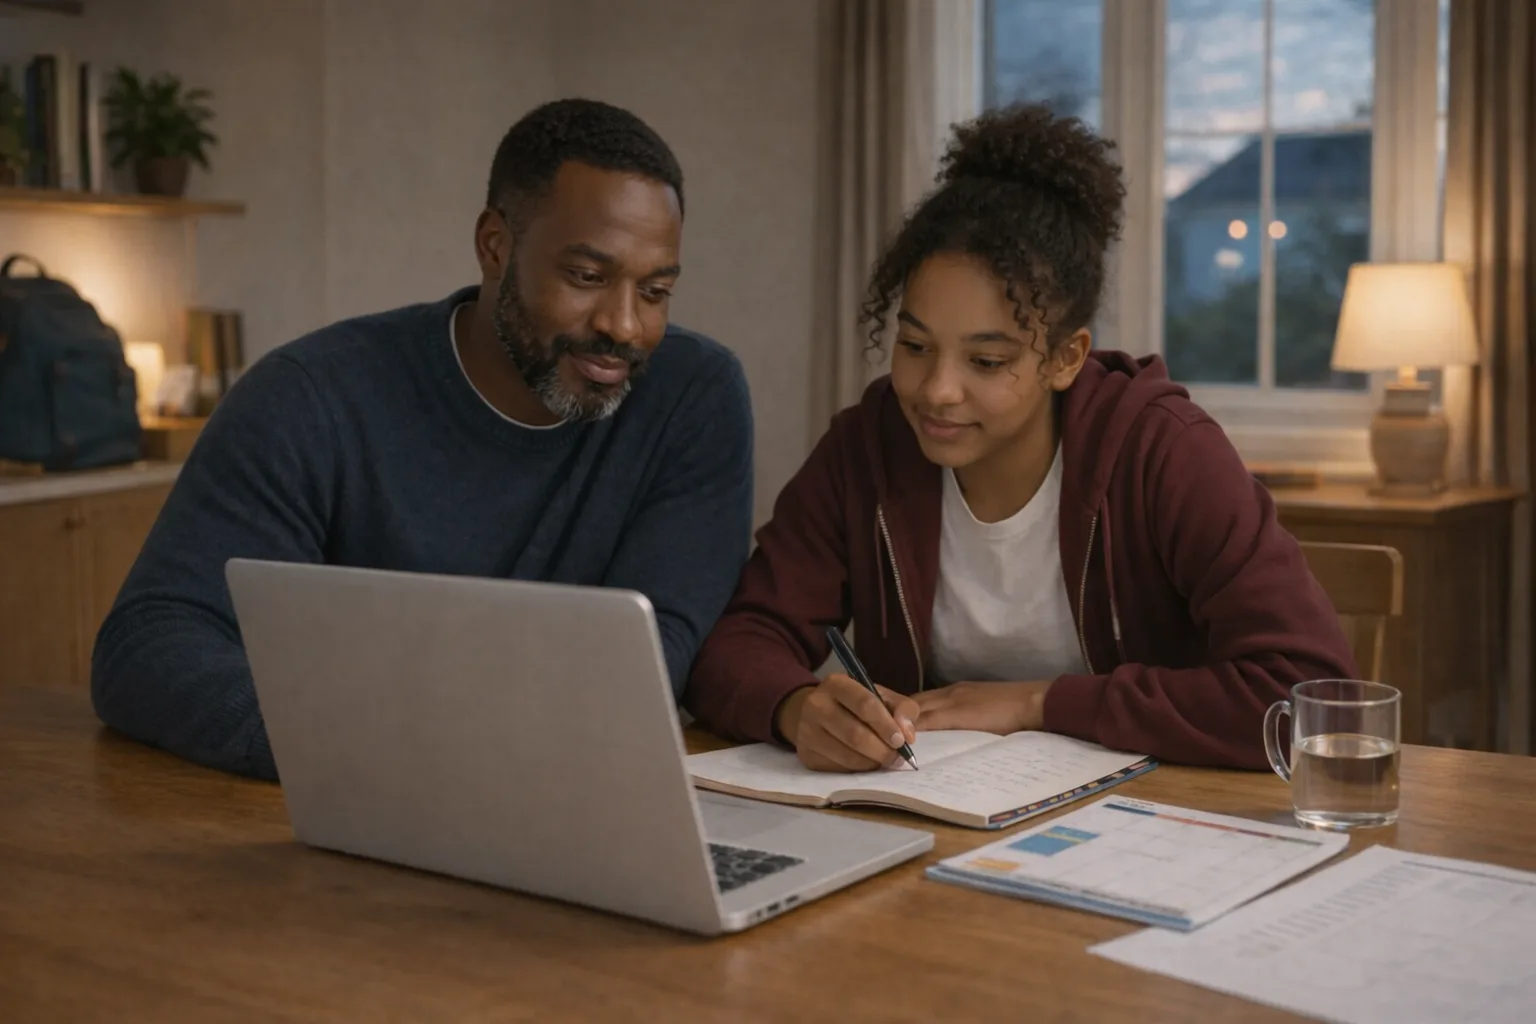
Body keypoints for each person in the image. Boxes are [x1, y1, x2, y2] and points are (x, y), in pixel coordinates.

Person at [93, 98, 755, 781]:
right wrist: (380, 754)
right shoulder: (311, 396)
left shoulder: (692, 397)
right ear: (495, 245)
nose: (624, 325)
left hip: (566, 805)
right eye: (586, 277)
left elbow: (654, 657)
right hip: (332, 820)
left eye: (655, 291)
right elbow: (149, 645)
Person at [683, 102, 1353, 773]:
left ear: (1065, 358)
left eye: (987, 361)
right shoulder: (867, 449)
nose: (937, 389)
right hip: (934, 818)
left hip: (1155, 823)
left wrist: (1039, 703)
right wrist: (796, 707)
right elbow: (739, 640)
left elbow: (1308, 697)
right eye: (915, 345)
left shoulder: (1163, 452)